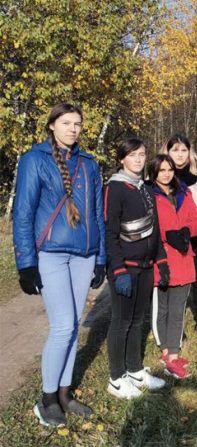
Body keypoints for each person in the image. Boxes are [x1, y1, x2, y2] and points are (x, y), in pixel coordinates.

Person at [13, 103, 106, 426]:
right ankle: (47, 399)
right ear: (52, 125)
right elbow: (22, 213)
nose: (73, 129)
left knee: (72, 330)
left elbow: (96, 213)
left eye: (78, 123)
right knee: (63, 326)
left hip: (84, 255)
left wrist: (101, 258)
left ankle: (65, 394)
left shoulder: (89, 164)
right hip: (50, 254)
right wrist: (26, 263)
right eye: (66, 123)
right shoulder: (34, 160)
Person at [105, 138, 168, 399]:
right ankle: (116, 378)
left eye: (142, 154)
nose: (139, 159)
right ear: (122, 159)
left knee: (137, 320)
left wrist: (161, 261)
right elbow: (110, 232)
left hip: (145, 266)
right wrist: (118, 270)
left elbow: (155, 229)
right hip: (126, 268)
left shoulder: (145, 188)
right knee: (121, 321)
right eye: (132, 155)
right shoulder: (116, 188)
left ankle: (134, 370)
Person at [149, 155, 197, 379]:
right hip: (161, 258)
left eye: (169, 169)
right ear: (154, 173)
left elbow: (195, 220)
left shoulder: (183, 193)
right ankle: (166, 351)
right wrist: (165, 235)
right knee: (162, 307)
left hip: (183, 257)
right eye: (161, 170)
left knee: (178, 309)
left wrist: (186, 232)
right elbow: (147, 224)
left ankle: (173, 352)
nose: (167, 174)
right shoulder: (149, 194)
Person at [160, 135, 197, 334]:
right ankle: (172, 325)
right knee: (171, 279)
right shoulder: (160, 176)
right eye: (175, 150)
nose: (180, 155)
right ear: (168, 151)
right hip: (170, 237)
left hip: (196, 234)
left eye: (184, 150)